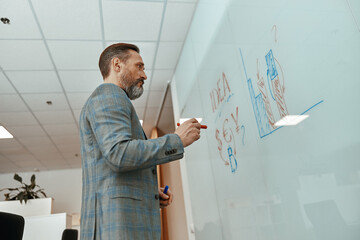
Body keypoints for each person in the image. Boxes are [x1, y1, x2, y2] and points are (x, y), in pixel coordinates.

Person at [79, 43, 201, 240]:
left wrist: (148, 191)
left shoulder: (108, 99)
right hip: (116, 226)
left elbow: (113, 163)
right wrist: (176, 140)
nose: (144, 75)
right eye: (139, 66)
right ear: (117, 65)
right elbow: (119, 154)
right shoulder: (110, 95)